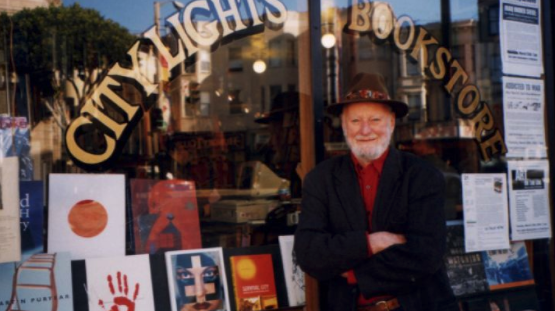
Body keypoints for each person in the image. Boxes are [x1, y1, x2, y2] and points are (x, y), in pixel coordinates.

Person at [294, 73, 457, 311]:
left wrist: (352, 272)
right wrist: (372, 243)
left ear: (391, 122)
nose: (365, 129)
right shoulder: (321, 179)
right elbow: (309, 253)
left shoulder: (422, 176)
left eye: (375, 120)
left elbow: (426, 254)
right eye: (355, 121)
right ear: (343, 125)